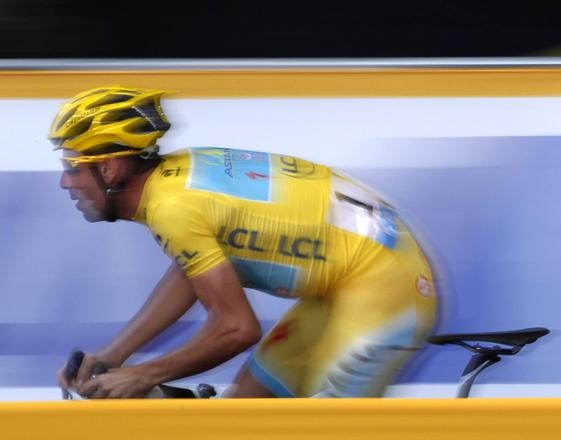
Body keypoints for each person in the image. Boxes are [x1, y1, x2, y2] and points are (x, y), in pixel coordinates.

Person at [51, 85, 438, 398]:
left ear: (109, 167)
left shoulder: (173, 207)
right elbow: (192, 271)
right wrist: (113, 356)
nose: (66, 182)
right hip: (352, 277)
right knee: (246, 411)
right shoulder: (174, 180)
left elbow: (237, 328)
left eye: (72, 167)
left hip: (388, 287)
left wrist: (143, 375)